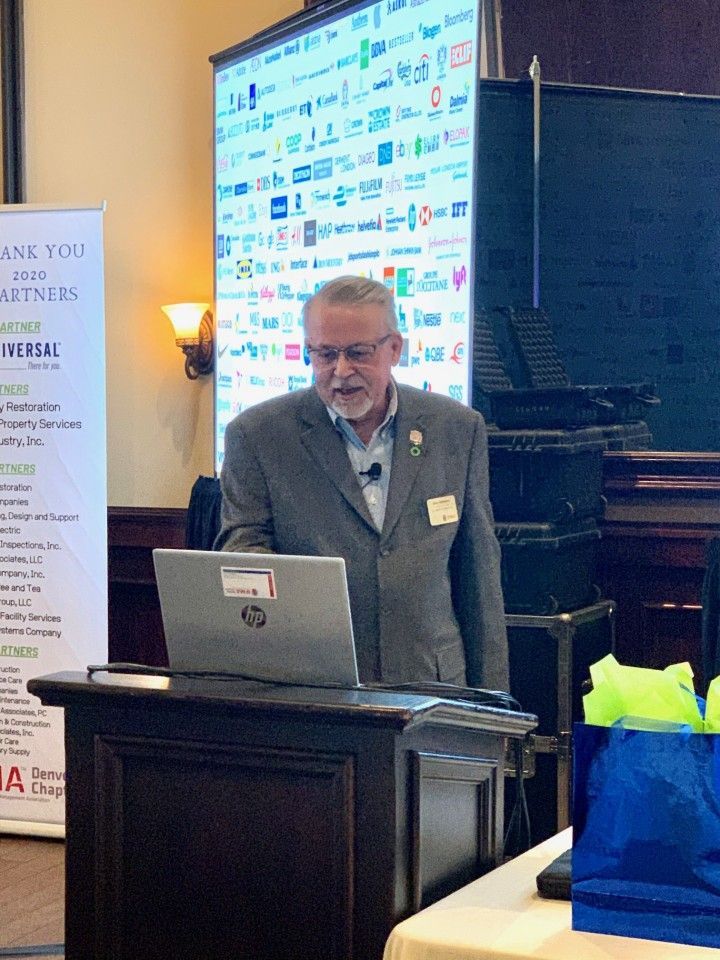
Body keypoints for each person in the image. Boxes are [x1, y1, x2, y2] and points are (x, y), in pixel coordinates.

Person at [215, 275, 508, 689]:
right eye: (325, 354)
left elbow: (479, 580)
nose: (341, 371)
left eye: (358, 353)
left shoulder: (457, 429)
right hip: (313, 691)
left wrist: (496, 709)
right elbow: (243, 560)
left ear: (394, 349)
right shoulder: (258, 436)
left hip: (435, 690)